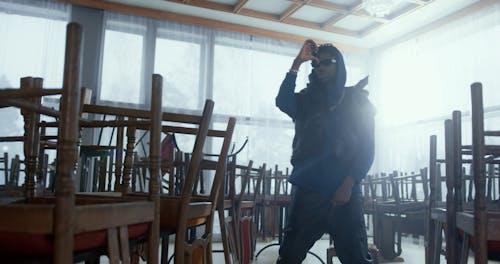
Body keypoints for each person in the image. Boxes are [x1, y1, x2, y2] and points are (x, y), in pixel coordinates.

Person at [275, 39, 375, 264]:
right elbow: (282, 101)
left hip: (345, 194)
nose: (320, 68)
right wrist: (297, 63)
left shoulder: (356, 100)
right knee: (289, 257)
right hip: (309, 191)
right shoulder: (306, 100)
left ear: (339, 64)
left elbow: (368, 148)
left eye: (327, 63)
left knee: (356, 258)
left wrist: (348, 185)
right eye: (316, 64)